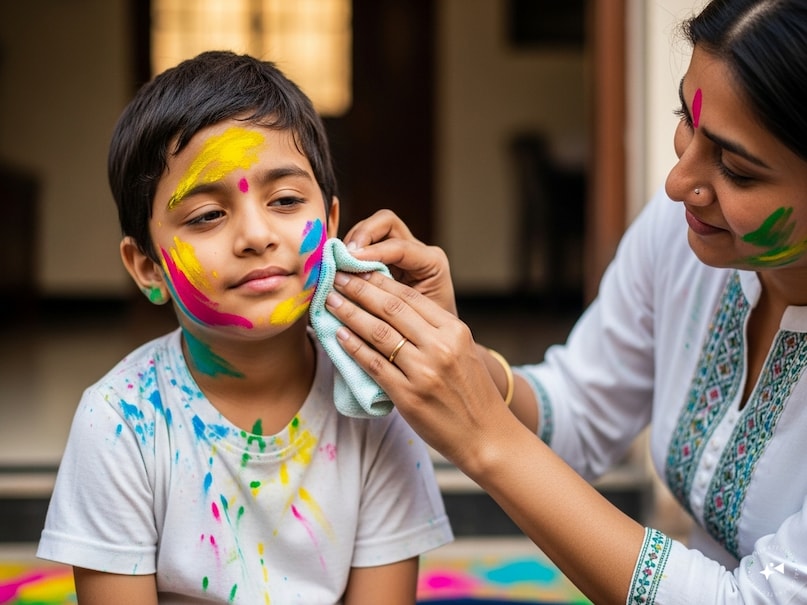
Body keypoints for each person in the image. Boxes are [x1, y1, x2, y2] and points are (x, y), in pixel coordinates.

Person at [322, 1, 807, 603]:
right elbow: (582, 408)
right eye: (686, 118)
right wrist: (469, 364)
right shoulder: (684, 237)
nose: (678, 183)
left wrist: (485, 438)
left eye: (735, 168)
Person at [36, 51, 452, 604]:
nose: (256, 234)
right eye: (207, 215)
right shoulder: (120, 423)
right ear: (147, 267)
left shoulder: (372, 406)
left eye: (284, 200)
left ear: (330, 225)